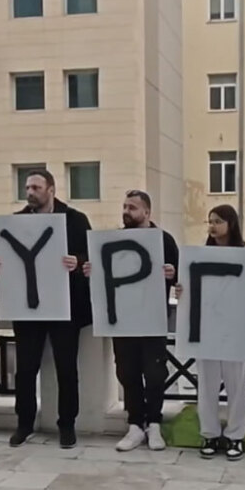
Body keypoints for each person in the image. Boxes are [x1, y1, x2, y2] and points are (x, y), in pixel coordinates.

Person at [0, 169, 91, 449]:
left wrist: (77, 261)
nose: (30, 192)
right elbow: (8, 259)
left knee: (67, 370)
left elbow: (91, 255)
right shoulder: (16, 222)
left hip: (65, 307)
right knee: (25, 370)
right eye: (27, 188)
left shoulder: (75, 220)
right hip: (28, 309)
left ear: (51, 190)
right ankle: (24, 423)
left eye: (36, 187)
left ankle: (67, 425)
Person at [82, 190, 178, 452]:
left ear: (147, 212)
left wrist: (173, 273)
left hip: (152, 320)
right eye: (124, 206)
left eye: (132, 207)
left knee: (155, 373)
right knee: (127, 373)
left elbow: (181, 277)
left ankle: (154, 423)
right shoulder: (113, 239)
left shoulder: (164, 240)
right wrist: (92, 271)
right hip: (122, 321)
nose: (126, 212)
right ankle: (135, 424)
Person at [174, 205, 245, 462]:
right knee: (207, 385)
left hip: (235, 329)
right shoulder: (201, 254)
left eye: (218, 221)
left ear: (230, 223)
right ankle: (209, 433)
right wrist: (181, 290)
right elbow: (190, 287)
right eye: (209, 221)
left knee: (237, 386)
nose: (212, 226)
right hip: (206, 329)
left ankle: (235, 435)